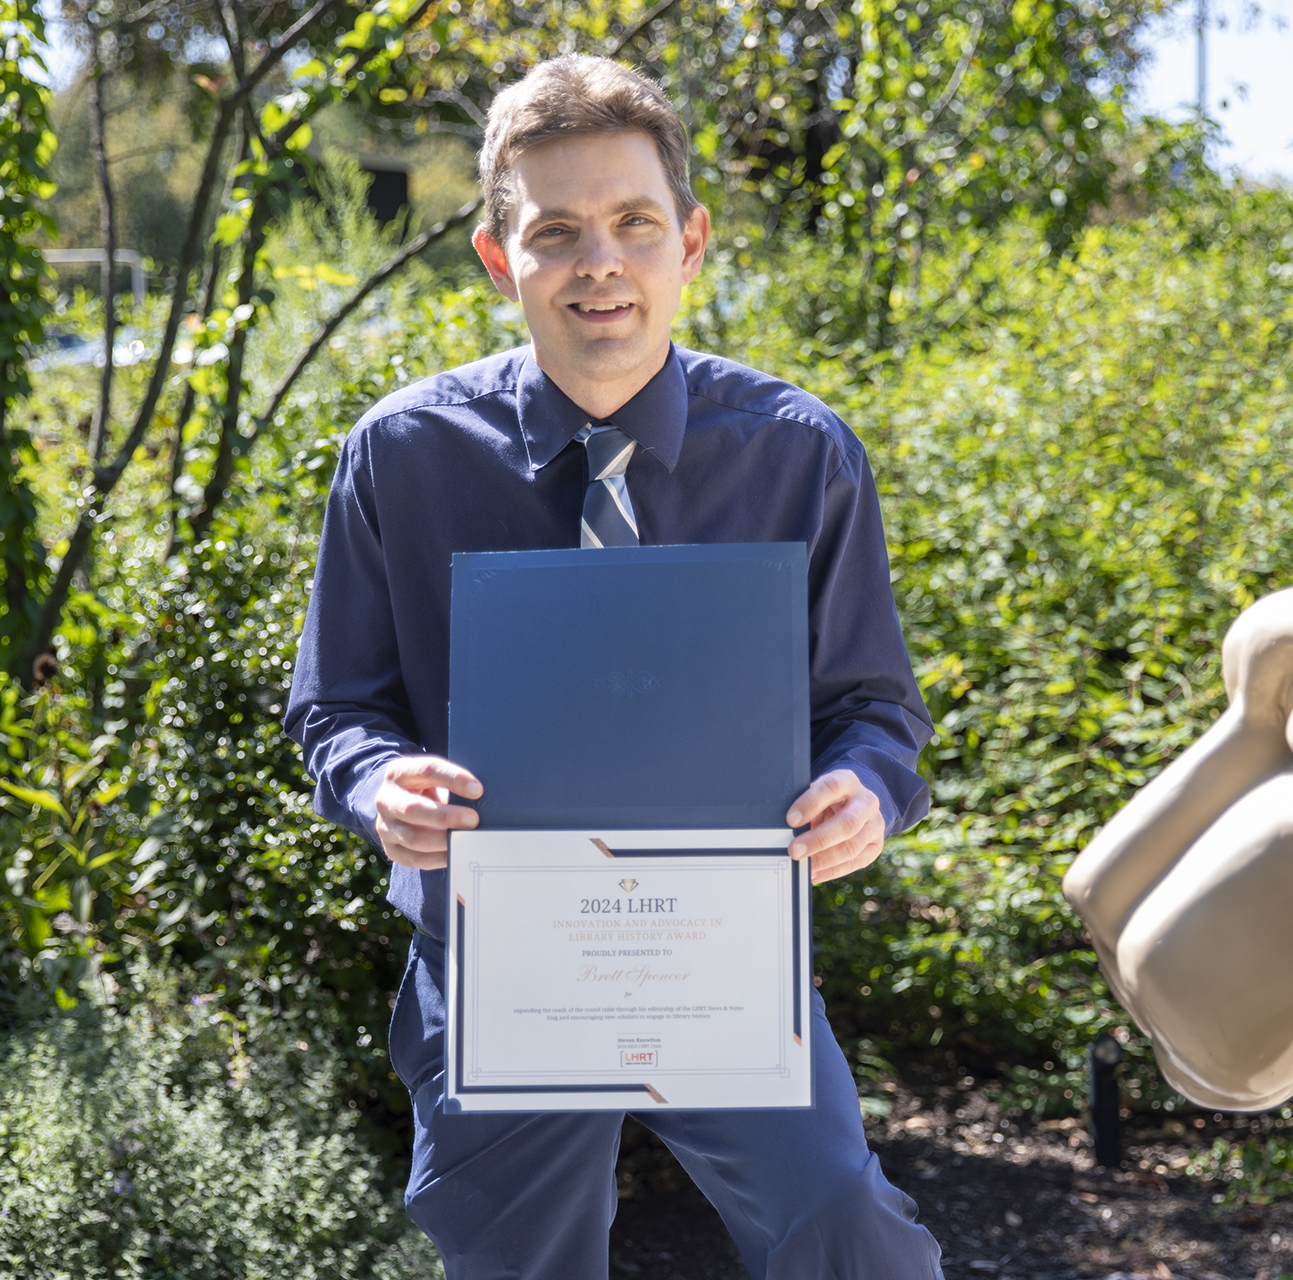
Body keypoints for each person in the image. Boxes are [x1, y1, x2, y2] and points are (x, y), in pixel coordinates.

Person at [284, 54, 943, 1280]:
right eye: (558, 231)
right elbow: (337, 703)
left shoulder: (799, 457)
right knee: (516, 1262)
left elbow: (874, 707)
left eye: (636, 223)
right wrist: (379, 785)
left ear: (689, 241)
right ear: (499, 257)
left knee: (847, 1225)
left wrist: (868, 789)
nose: (601, 262)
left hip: (725, 947)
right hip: (497, 958)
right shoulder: (405, 454)